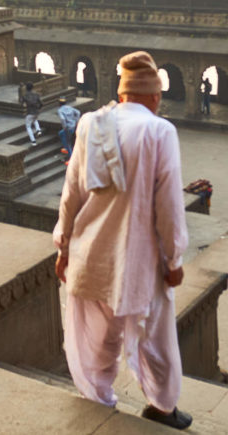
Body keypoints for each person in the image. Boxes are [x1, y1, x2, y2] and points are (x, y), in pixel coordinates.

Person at [53, 51, 192, 430]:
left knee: (96, 339)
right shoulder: (159, 131)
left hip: (89, 253)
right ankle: (162, 407)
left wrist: (63, 247)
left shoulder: (90, 124)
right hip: (139, 261)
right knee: (155, 338)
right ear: (154, 96)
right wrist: (174, 259)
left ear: (123, 92)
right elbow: (169, 205)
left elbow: (71, 193)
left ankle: (97, 400)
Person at [57, 96, 81, 160]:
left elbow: (62, 118)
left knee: (68, 144)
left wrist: (65, 127)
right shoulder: (69, 107)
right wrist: (76, 121)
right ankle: (65, 148)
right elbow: (78, 112)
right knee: (60, 133)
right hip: (73, 126)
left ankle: (71, 158)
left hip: (68, 128)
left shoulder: (60, 110)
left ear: (59, 104)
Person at [20, 82, 43, 146]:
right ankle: (38, 130)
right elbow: (41, 103)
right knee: (35, 119)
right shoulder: (36, 94)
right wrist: (39, 108)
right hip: (36, 111)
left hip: (30, 112)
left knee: (28, 126)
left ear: (26, 88)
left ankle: (33, 141)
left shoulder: (25, 95)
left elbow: (21, 103)